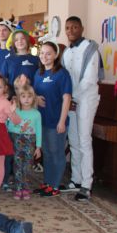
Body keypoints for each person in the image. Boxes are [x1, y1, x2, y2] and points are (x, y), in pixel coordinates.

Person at [61, 16, 102, 202]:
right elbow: (64, 77)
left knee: (84, 140)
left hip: (86, 99)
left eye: (74, 27)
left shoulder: (90, 48)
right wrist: (68, 99)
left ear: (82, 28)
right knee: (74, 140)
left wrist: (72, 98)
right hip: (71, 100)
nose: (70, 31)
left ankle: (86, 185)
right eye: (68, 28)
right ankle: (76, 180)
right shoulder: (66, 52)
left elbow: (89, 79)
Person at [34, 42, 72, 198]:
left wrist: (62, 121)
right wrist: (36, 98)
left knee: (57, 154)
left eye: (48, 53)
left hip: (56, 121)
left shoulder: (62, 74)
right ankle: (48, 183)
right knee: (48, 153)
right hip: (42, 121)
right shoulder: (38, 73)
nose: (44, 56)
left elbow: (67, 98)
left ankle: (55, 185)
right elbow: (33, 93)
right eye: (42, 53)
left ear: (56, 55)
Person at [7, 85, 42, 201]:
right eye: (23, 96)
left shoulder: (36, 114)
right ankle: (18, 188)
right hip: (17, 140)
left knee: (27, 166)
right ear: (19, 98)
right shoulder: (16, 111)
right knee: (17, 165)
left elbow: (39, 131)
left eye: (29, 96)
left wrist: (38, 147)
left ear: (33, 98)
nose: (26, 99)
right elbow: (10, 127)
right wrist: (13, 115)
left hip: (30, 142)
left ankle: (25, 188)